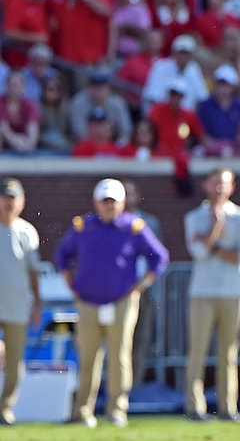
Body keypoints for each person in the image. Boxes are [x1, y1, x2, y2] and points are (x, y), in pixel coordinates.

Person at [54, 178, 169, 428]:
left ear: (123, 203)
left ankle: (117, 409)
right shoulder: (82, 226)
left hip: (122, 301)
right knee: (88, 357)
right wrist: (72, 286)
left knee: (119, 357)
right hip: (87, 302)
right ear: (96, 202)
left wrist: (140, 286)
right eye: (105, 202)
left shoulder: (134, 227)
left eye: (113, 202)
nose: (109, 206)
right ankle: (82, 411)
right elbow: (61, 257)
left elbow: (159, 257)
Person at [183, 168, 240, 423]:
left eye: (223, 184)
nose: (218, 189)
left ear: (232, 187)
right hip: (202, 292)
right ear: (205, 185)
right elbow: (198, 253)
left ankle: (227, 408)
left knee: (228, 353)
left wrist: (211, 243)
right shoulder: (194, 217)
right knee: (197, 351)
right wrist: (216, 229)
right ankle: (194, 407)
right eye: (214, 183)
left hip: (234, 292)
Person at [0, 178, 41, 426]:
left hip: (16, 306)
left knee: (15, 362)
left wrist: (37, 303)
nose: (9, 203)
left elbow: (33, 272)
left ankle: (6, 408)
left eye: (13, 199)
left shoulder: (27, 232)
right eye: (5, 198)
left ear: (22, 202)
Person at [124, 179, 164, 387]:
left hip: (144, 291)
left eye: (129, 193)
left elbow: (159, 257)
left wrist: (145, 283)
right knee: (119, 342)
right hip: (117, 292)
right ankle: (116, 388)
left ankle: (134, 388)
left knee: (141, 340)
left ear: (137, 196)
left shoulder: (149, 222)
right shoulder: (111, 223)